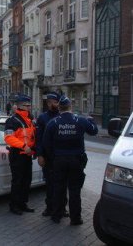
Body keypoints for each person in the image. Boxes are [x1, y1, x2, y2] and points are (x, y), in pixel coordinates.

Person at [43, 96, 98, 225]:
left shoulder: (53, 123)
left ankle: (56, 216)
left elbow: (46, 144)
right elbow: (94, 131)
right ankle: (75, 218)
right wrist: (92, 120)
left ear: (59, 108)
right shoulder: (80, 121)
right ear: (70, 107)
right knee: (74, 190)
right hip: (76, 161)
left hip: (59, 160)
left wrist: (53, 158)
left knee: (58, 189)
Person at [36, 92, 70, 217]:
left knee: (63, 184)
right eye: (49, 102)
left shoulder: (64, 117)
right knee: (49, 184)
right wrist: (40, 155)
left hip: (62, 157)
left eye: (54, 102)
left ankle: (62, 208)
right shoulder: (42, 118)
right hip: (48, 157)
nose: (51, 104)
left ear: (59, 103)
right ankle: (49, 207)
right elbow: (38, 139)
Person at [4, 94, 36, 215]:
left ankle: (23, 203)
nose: (28, 107)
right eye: (26, 105)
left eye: (29, 105)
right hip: (18, 154)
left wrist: (34, 149)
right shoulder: (12, 120)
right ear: (19, 106)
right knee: (17, 181)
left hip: (27, 155)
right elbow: (8, 138)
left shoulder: (29, 120)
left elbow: (32, 137)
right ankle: (14, 205)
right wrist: (23, 146)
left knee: (26, 181)